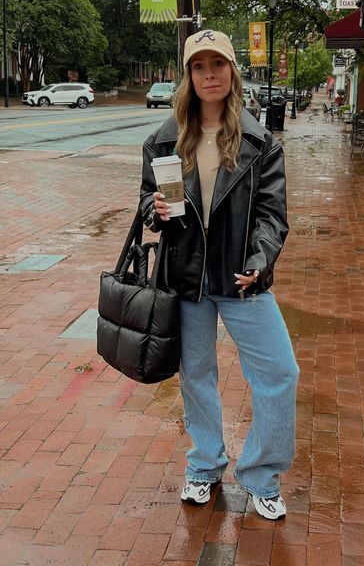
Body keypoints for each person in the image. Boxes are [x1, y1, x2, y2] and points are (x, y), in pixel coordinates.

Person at [140, 29, 299, 521]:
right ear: (188, 76)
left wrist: (259, 260)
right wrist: (156, 207)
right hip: (186, 280)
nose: (210, 75)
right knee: (197, 376)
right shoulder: (163, 139)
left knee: (279, 373)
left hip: (240, 280)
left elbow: (273, 214)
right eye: (199, 67)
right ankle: (205, 465)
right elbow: (146, 206)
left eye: (218, 65)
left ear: (233, 71)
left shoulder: (258, 141)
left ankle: (261, 476)